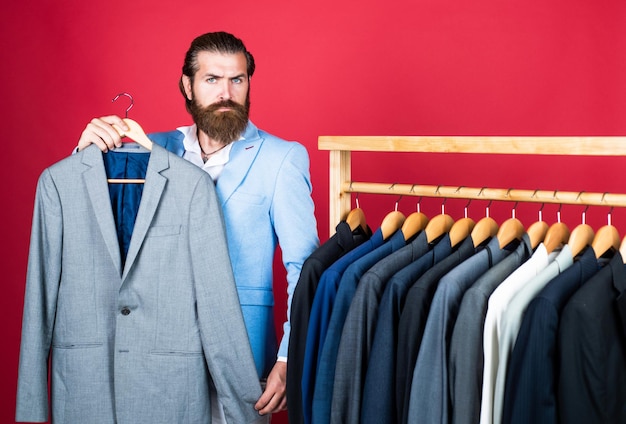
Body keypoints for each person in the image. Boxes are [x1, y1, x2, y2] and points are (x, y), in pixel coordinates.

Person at [76, 31, 320, 418]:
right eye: (212, 80)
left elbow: (304, 268)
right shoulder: (146, 151)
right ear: (187, 86)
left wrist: (291, 356)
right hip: (153, 349)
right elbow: (95, 231)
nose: (226, 93)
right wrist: (84, 157)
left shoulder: (282, 158)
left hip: (241, 353)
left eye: (237, 80)